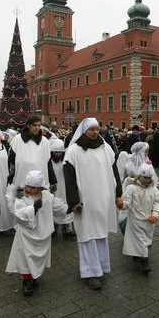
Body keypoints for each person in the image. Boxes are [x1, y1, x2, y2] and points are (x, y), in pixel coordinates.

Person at [63, 117, 122, 290]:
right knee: (87, 234)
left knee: (100, 233)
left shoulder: (106, 148)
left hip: (103, 198)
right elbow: (69, 178)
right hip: (85, 200)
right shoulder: (74, 151)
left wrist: (118, 193)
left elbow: (114, 171)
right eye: (92, 129)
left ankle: (101, 267)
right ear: (84, 131)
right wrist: (73, 201)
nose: (95, 132)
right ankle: (90, 272)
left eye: (97, 129)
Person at [6, 170, 69, 296]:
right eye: (28, 186)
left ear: (39, 187)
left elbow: (57, 207)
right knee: (25, 259)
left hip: (42, 233)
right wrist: (33, 208)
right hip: (26, 235)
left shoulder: (47, 196)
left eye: (33, 187)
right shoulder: (21, 197)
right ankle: (27, 281)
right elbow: (19, 214)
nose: (29, 189)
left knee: (36, 260)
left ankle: (35, 276)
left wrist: (69, 209)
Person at [117, 163, 159, 273]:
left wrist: (155, 215)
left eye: (149, 178)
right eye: (145, 177)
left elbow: (157, 204)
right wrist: (121, 204)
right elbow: (126, 202)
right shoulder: (132, 188)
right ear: (140, 176)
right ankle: (145, 261)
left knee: (144, 241)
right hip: (135, 221)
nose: (147, 180)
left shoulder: (154, 190)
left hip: (149, 221)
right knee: (141, 241)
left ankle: (137, 254)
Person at [7, 115, 57, 193]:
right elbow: (11, 162)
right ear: (28, 125)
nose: (37, 128)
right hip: (21, 183)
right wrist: (10, 179)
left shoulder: (45, 142)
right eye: (34, 125)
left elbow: (48, 163)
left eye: (39, 125)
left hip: (40, 184)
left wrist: (53, 180)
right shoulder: (17, 140)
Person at [49, 138, 75, 239]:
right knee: (53, 206)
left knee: (66, 206)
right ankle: (53, 228)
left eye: (60, 152)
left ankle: (67, 228)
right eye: (55, 152)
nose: (58, 155)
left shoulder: (66, 160)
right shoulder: (49, 161)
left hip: (64, 188)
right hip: (54, 188)